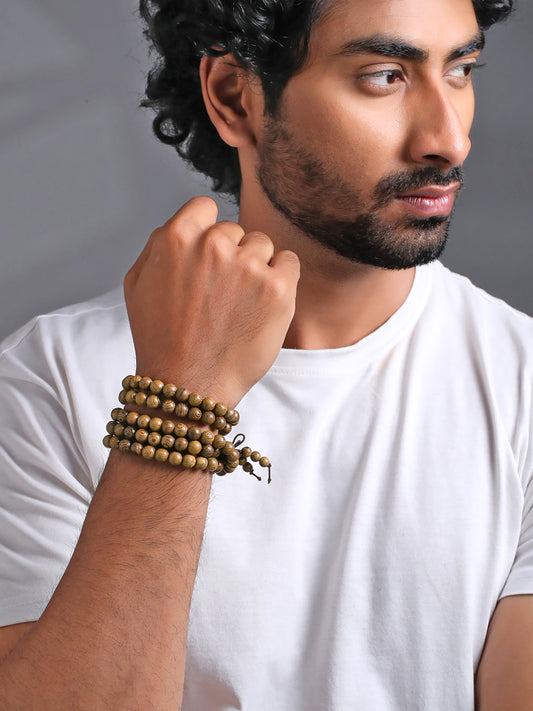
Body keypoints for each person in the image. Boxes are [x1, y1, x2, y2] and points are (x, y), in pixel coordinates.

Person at [0, 0, 530, 708]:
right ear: (234, 97)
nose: (449, 140)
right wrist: (183, 397)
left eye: (460, 70)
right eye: (384, 76)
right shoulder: (48, 381)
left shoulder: (522, 384)